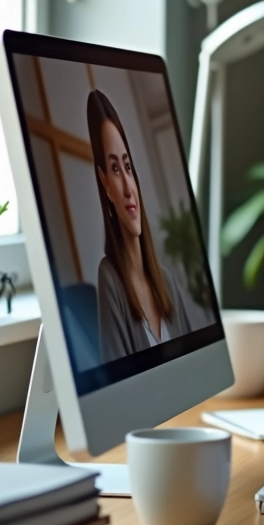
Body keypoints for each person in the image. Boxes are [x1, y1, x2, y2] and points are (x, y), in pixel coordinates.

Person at [87, 89, 199, 361]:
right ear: (105, 185)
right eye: (114, 170)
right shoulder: (110, 278)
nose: (127, 187)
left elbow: (194, 367)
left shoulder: (167, 282)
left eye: (127, 167)